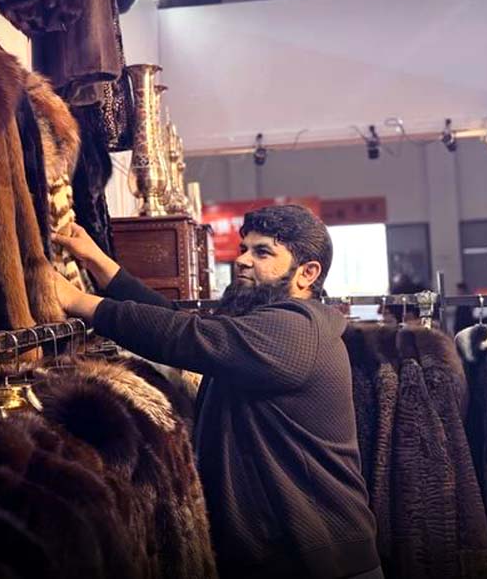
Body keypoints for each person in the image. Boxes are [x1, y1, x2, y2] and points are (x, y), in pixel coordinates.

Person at [50, 204, 381, 579]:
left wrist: (78, 301)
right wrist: (99, 263)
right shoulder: (264, 329)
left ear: (307, 273)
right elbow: (181, 323)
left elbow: (185, 337)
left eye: (262, 252)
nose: (242, 260)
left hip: (317, 561)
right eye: (243, 248)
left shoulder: (297, 331)